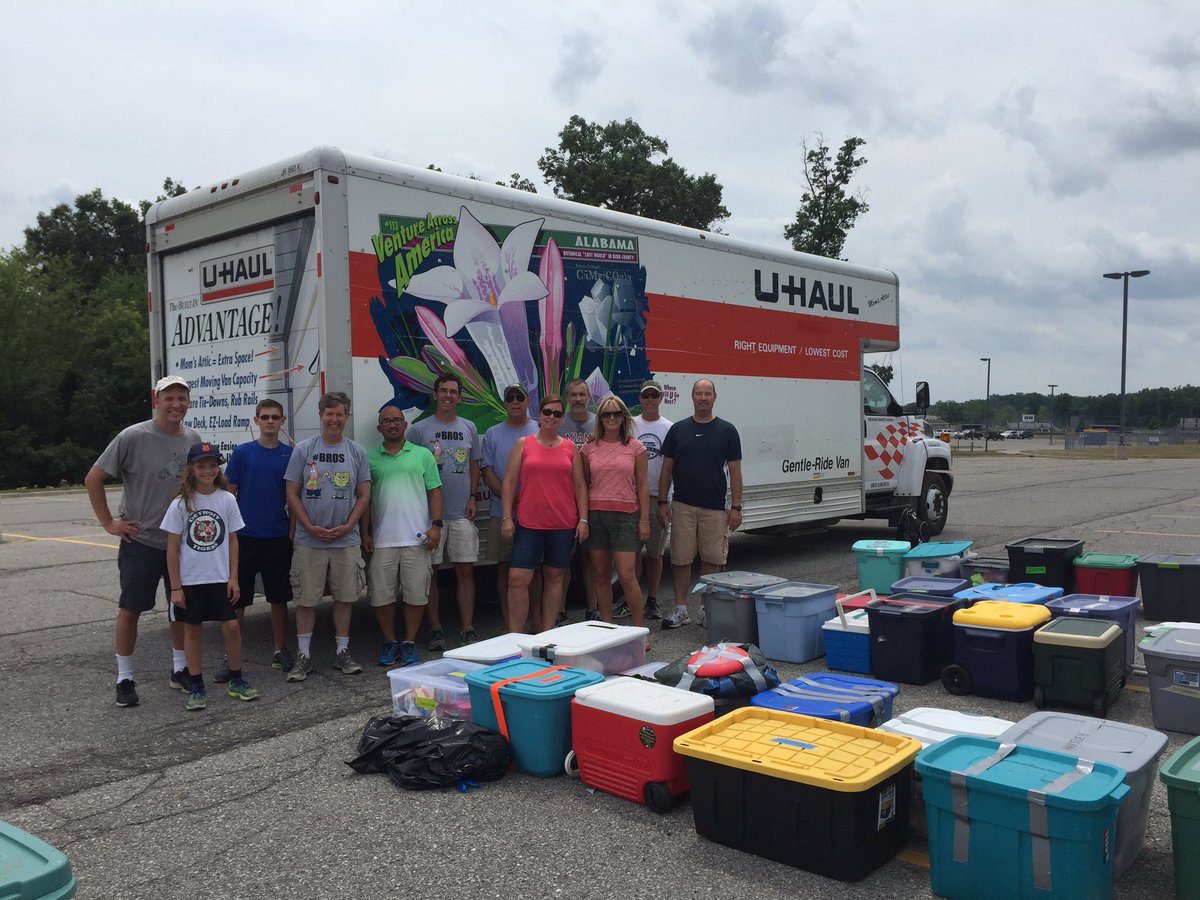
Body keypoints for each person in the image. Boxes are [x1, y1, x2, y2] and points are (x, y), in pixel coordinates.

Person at [85, 374, 202, 708]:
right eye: (169, 398)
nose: (176, 404)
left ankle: (179, 669)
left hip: (180, 543)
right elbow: (94, 477)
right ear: (157, 400)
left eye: (182, 398)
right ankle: (124, 677)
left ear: (188, 403)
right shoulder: (133, 436)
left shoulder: (192, 439)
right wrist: (109, 522)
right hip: (143, 541)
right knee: (131, 609)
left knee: (179, 607)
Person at [282, 391, 371, 681]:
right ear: (321, 415)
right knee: (306, 600)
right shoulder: (304, 449)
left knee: (345, 598)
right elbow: (292, 492)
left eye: (340, 414)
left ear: (347, 416)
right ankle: (304, 656)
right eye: (329, 413)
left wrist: (349, 525)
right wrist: (307, 526)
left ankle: (342, 652)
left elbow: (364, 494)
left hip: (346, 539)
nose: (334, 419)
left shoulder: (356, 451)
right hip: (310, 540)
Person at [163, 443, 256, 710]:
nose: (207, 470)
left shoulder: (226, 499)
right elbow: (171, 548)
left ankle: (237, 679)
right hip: (191, 580)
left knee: (231, 626)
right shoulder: (181, 503)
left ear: (219, 468)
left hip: (219, 577)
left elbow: (233, 540)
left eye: (212, 465)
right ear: (192, 469)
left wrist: (234, 576)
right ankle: (196, 684)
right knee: (192, 631)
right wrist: (176, 587)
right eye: (201, 466)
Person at [657, 379, 743, 629]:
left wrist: (736, 507)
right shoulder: (678, 430)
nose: (703, 398)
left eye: (707, 394)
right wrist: (663, 502)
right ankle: (681, 609)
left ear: (715, 397)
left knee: (711, 559)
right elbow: (666, 469)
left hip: (715, 508)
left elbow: (735, 472)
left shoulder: (727, 431)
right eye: (698, 393)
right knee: (680, 559)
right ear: (692, 397)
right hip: (682, 505)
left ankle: (707, 609)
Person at [362, 404, 443, 668]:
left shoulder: (422, 455)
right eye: (387, 421)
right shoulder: (369, 458)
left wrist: (437, 525)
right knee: (381, 597)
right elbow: (364, 500)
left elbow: (435, 492)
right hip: (383, 540)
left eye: (397, 420)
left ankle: (408, 643)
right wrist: (365, 532)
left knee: (416, 596)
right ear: (379, 428)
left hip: (417, 539)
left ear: (405, 425)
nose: (393, 425)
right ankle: (390, 642)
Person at [500, 394, 589, 634]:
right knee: (517, 579)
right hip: (529, 523)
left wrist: (583, 520)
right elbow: (509, 482)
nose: (551, 417)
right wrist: (507, 517)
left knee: (554, 576)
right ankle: (514, 636)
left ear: (562, 418)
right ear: (539, 414)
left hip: (562, 523)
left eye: (557, 413)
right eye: (547, 412)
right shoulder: (524, 443)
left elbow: (580, 484)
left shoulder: (570, 447)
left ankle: (547, 634)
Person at [406, 373, 482, 648]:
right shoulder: (419, 430)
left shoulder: (469, 427)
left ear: (460, 398)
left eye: (453, 391)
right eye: (443, 391)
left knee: (465, 571)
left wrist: (473, 496)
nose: (448, 395)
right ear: (435, 395)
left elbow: (474, 464)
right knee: (432, 572)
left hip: (461, 512)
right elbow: (412, 469)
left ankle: (468, 627)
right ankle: (435, 627)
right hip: (431, 517)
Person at [223, 399, 295, 677]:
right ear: (256, 421)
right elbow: (230, 493)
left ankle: (280, 650)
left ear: (282, 421)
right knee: (238, 599)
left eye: (275, 417)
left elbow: (293, 495)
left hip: (277, 535)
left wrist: (292, 530)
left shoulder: (289, 455)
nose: (270, 421)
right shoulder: (242, 453)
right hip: (245, 536)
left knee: (278, 597)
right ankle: (232, 655)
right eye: (264, 417)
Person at [581, 395, 649, 626]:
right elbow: (584, 482)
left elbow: (642, 485)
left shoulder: (635, 447)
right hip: (596, 515)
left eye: (616, 413)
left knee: (627, 576)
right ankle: (608, 627)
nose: (611, 418)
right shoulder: (588, 448)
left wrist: (644, 520)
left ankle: (639, 630)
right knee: (601, 575)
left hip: (625, 517)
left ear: (623, 417)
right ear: (600, 418)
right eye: (606, 414)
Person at [480, 384, 539, 627]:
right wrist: (510, 499)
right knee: (504, 567)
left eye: (519, 397)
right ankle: (509, 625)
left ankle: (538, 623)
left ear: (527, 401)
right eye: (510, 398)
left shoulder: (538, 428)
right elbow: (488, 472)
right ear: (505, 404)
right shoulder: (493, 433)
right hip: (500, 511)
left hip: (536, 513)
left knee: (535, 569)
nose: (515, 402)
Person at [624, 379, 671, 621]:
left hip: (657, 498)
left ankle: (652, 600)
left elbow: (673, 466)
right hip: (630, 498)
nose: (650, 400)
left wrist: (665, 501)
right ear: (640, 399)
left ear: (661, 398)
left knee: (654, 553)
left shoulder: (669, 428)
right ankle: (633, 599)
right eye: (646, 396)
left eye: (654, 395)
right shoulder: (630, 425)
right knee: (631, 553)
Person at [560, 377, 600, 622]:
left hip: (594, 498)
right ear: (567, 398)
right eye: (573, 395)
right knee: (562, 558)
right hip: (564, 499)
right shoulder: (558, 423)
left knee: (590, 557)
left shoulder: (599, 423)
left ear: (589, 398)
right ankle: (560, 608)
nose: (577, 399)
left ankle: (593, 606)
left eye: (581, 395)